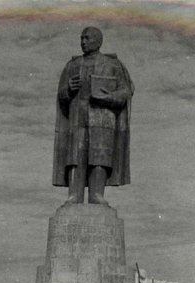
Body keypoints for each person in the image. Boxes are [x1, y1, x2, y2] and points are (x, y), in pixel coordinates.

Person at [53, 27, 134, 205]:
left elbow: (126, 91)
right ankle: (75, 195)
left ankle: (96, 194)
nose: (83, 42)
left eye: (87, 38)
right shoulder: (72, 65)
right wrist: (68, 89)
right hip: (77, 117)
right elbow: (61, 94)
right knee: (75, 155)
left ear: (98, 41)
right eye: (81, 38)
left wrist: (108, 97)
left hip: (102, 117)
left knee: (99, 156)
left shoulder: (113, 64)